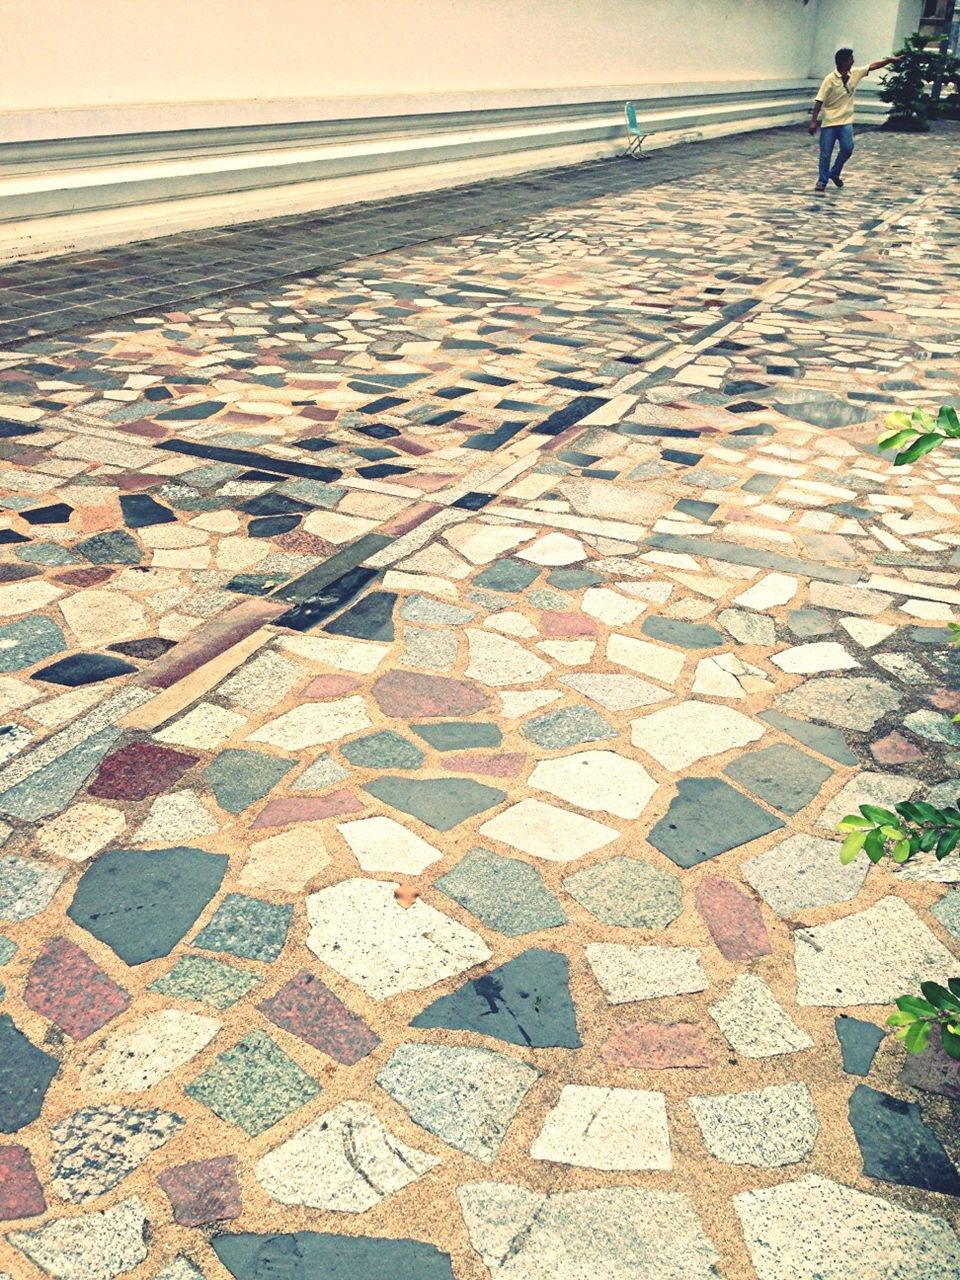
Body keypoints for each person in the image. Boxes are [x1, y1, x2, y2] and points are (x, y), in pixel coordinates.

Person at [808, 47, 901, 194]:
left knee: (847, 148)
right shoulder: (830, 79)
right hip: (830, 122)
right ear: (843, 62)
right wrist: (814, 121)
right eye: (851, 58)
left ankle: (835, 172)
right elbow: (819, 101)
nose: (853, 61)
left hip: (845, 120)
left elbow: (873, 66)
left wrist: (889, 61)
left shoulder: (855, 73)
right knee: (825, 153)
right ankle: (822, 180)